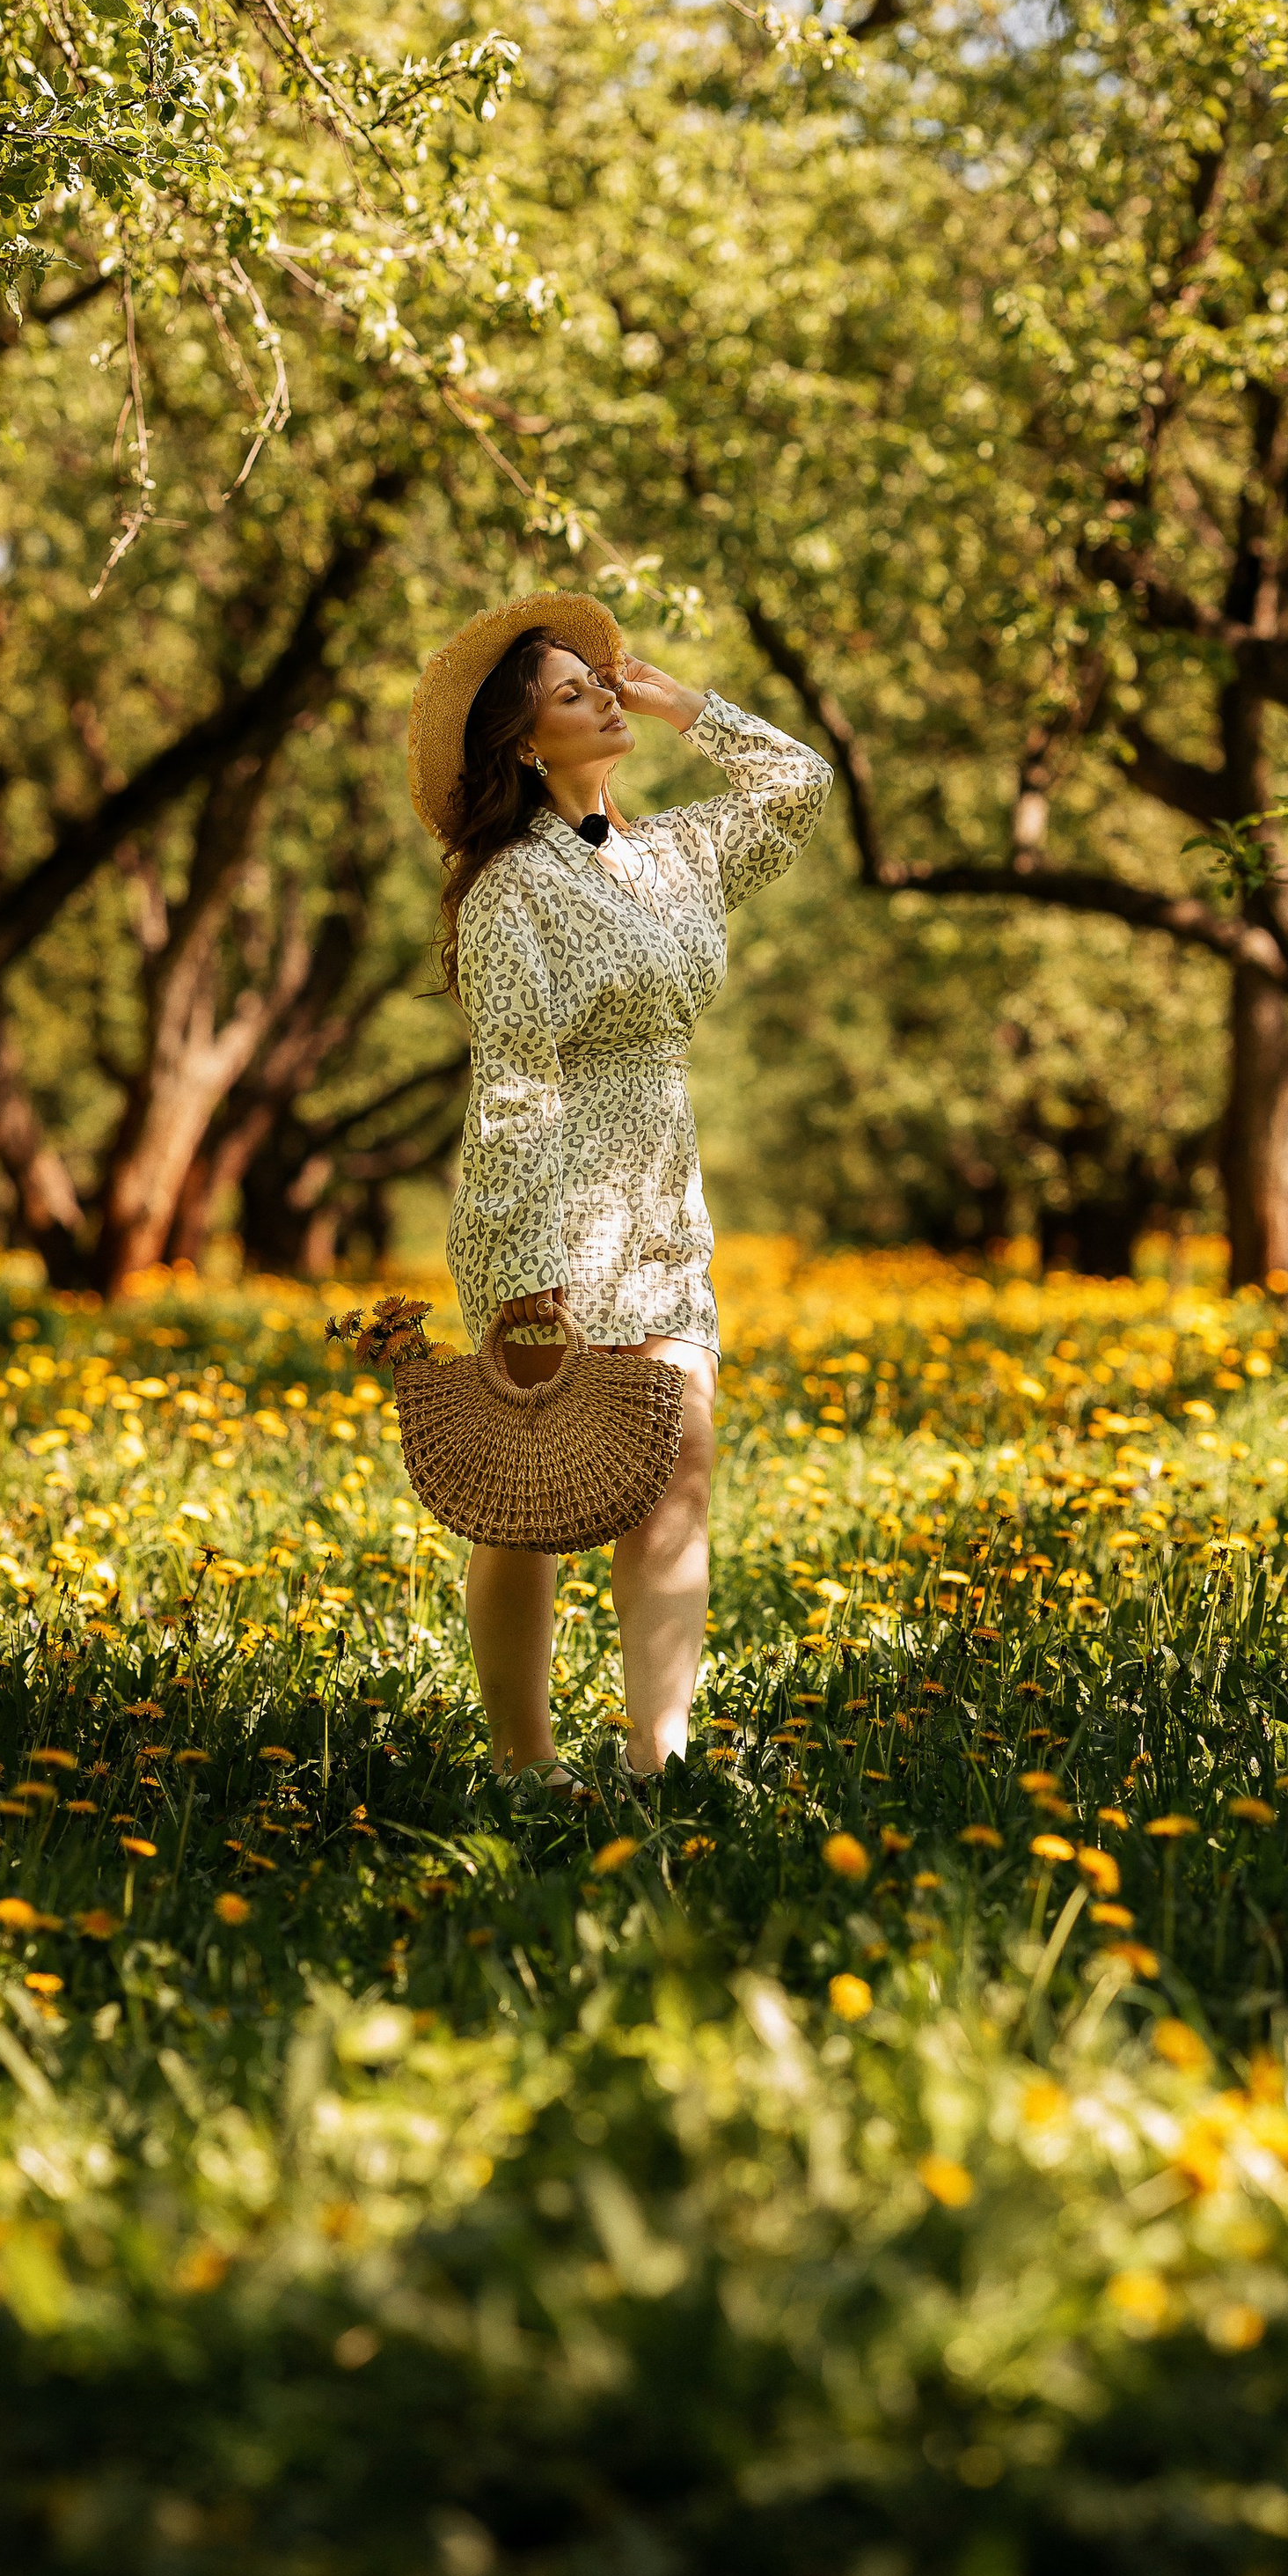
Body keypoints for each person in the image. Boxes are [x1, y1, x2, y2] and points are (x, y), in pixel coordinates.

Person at [405, 592, 832, 1790]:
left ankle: (662, 1763)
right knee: (525, 1491)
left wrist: (683, 706)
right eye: (570, 691)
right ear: (523, 743)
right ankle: (524, 1762)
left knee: (678, 1462)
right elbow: (515, 1080)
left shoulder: (674, 855)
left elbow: (800, 786)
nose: (600, 693)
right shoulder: (509, 891)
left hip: (663, 1200)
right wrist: (517, 1271)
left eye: (600, 681)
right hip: (552, 1206)